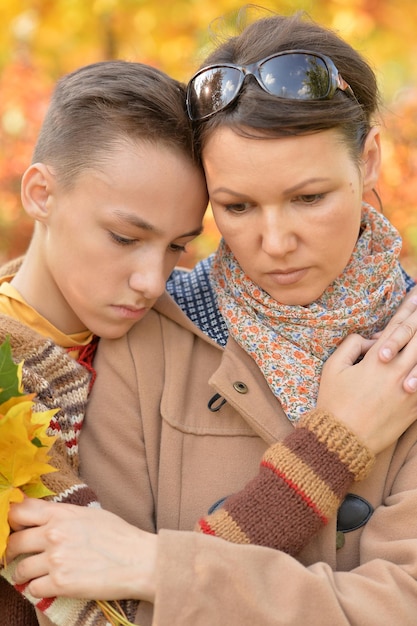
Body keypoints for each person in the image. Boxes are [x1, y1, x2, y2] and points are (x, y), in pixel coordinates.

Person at [4, 11, 417, 626]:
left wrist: (155, 566)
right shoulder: (150, 337)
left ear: (369, 161)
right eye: (237, 205)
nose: (274, 241)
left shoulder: (406, 342)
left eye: (309, 197)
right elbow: (100, 605)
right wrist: (336, 442)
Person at [0, 59, 208, 626]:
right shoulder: (7, 372)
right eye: (125, 237)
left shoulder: (181, 331)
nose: (152, 281)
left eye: (177, 248)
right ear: (41, 193)